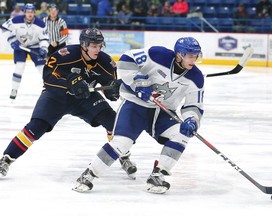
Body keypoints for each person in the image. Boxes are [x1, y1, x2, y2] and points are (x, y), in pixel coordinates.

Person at [73, 37, 204, 194]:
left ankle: (157, 175)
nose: (194, 59)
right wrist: (137, 83)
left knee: (181, 134)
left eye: (196, 56)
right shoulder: (158, 55)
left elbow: (194, 105)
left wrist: (192, 119)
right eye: (190, 56)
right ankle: (89, 174)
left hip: (161, 112)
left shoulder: (196, 77)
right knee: (121, 144)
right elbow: (126, 60)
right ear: (179, 54)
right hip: (135, 105)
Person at [0, 28, 136, 179]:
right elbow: (47, 76)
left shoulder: (106, 62)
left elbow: (108, 86)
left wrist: (113, 90)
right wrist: (69, 82)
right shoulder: (65, 54)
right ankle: (6, 159)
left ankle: (124, 156)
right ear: (83, 44)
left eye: (99, 45)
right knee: (36, 126)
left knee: (113, 122)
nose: (97, 49)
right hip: (57, 96)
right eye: (93, 45)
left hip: (86, 97)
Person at [1, 3, 49, 100]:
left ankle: (48, 88)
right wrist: (12, 40)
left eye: (31, 12)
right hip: (20, 46)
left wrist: (43, 48)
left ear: (34, 13)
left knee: (42, 68)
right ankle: (14, 89)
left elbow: (45, 38)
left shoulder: (40, 24)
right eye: (28, 12)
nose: (30, 14)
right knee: (19, 67)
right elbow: (4, 28)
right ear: (24, 12)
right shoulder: (16, 20)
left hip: (35, 46)